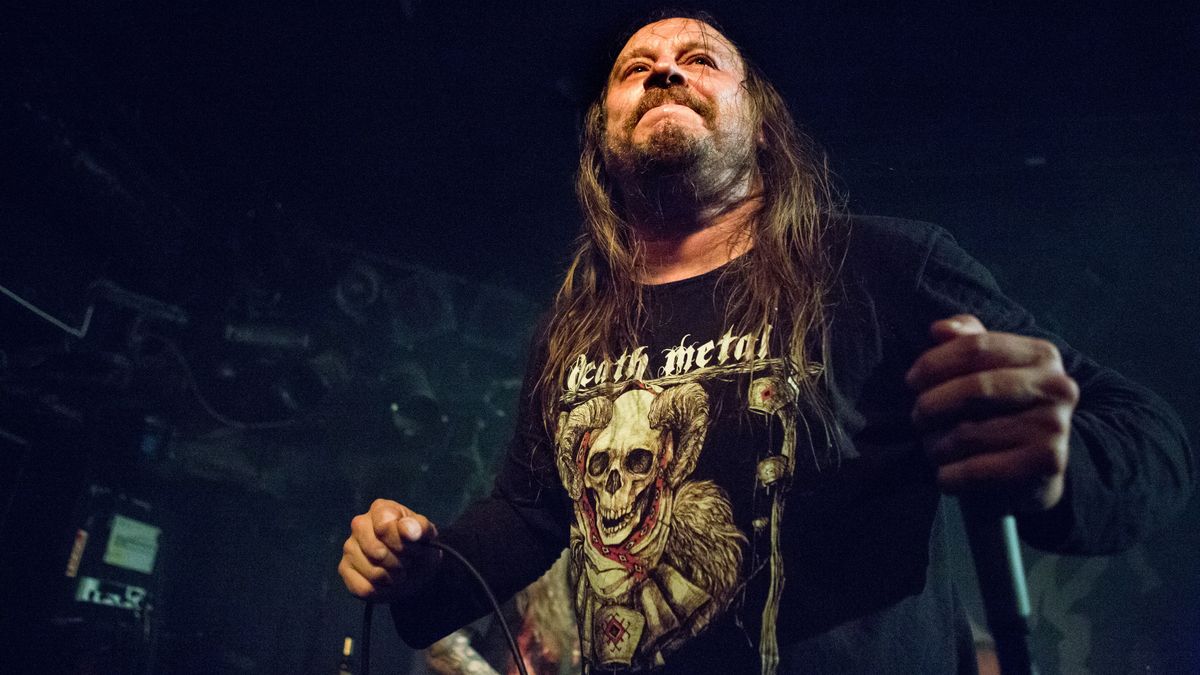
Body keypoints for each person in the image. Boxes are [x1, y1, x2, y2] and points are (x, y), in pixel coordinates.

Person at [338, 12, 1193, 674]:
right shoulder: (577, 325)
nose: (664, 68)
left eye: (699, 59)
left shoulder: (882, 263)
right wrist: (422, 569)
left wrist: (1063, 462)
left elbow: (1147, 435)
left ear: (763, 123)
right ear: (601, 134)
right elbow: (531, 513)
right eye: (634, 70)